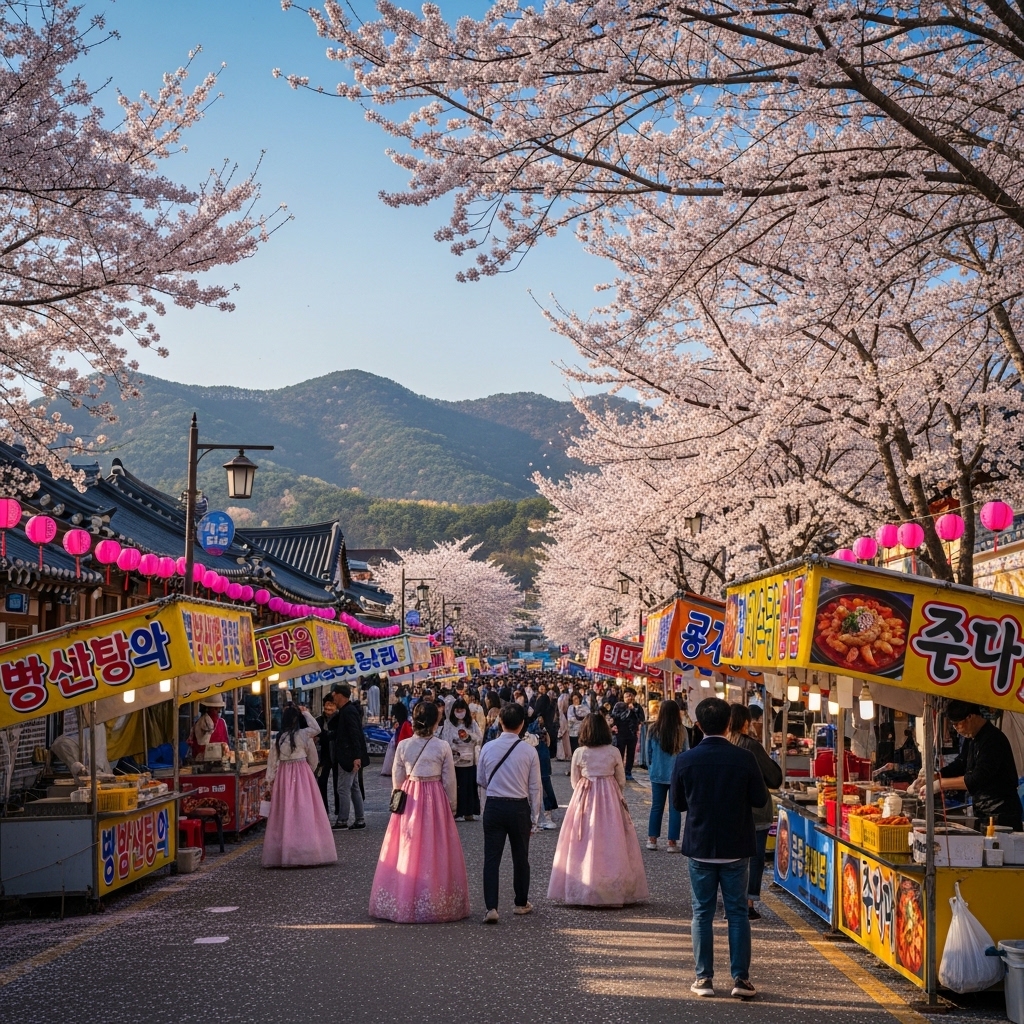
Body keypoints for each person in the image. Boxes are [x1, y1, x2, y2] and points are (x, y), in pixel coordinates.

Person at [671, 697, 768, 1000]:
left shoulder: (685, 760)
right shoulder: (744, 758)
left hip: (700, 845)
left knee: (702, 913)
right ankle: (741, 979)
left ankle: (704, 979)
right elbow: (760, 799)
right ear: (729, 725)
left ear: (698, 725)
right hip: (736, 845)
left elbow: (677, 803)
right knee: (737, 913)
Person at [369, 701, 471, 922]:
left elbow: (397, 778)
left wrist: (398, 796)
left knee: (408, 846)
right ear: (435, 721)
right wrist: (452, 806)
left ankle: (404, 896)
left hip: (410, 795)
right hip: (435, 798)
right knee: (436, 847)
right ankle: (435, 898)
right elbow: (449, 781)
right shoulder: (442, 746)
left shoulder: (404, 745)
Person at [548, 713, 649, 907]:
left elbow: (574, 781)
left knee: (582, 841)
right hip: (610, 797)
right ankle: (613, 887)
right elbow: (621, 780)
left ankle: (583, 886)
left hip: (584, 796)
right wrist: (613, 792)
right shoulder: (613, 751)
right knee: (612, 841)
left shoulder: (580, 752)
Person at [476, 703, 542, 923]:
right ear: (522, 724)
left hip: (494, 805)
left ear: (500, 722)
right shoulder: (529, 751)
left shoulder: (487, 747)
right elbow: (535, 787)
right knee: (521, 857)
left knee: (491, 858)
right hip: (519, 807)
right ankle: (521, 903)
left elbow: (481, 780)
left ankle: (491, 908)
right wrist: (535, 818)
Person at [924, 701, 1023, 831]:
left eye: (957, 724)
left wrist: (940, 784)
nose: (955, 728)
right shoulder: (972, 738)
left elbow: (977, 778)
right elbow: (960, 764)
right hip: (982, 811)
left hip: (1001, 813)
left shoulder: (993, 740)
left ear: (970, 717)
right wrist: (935, 776)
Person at [262, 704, 338, 868]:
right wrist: (306, 713)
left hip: (283, 776)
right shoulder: (303, 735)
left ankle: (285, 851)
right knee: (306, 811)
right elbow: (316, 734)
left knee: (285, 813)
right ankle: (308, 850)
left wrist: (269, 783)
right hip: (303, 774)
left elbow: (272, 764)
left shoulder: (279, 739)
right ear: (297, 719)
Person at [728, 704, 783, 919]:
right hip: (756, 811)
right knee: (755, 857)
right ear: (745, 723)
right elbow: (774, 778)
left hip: (729, 811)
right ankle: (748, 902)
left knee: (732, 856)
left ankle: (732, 899)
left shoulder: (722, 745)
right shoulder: (751, 746)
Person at [646, 699, 687, 852]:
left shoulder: (653, 729)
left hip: (657, 773)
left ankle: (652, 839)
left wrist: (651, 768)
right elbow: (686, 752)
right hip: (676, 774)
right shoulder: (681, 730)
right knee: (675, 808)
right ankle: (672, 842)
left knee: (656, 807)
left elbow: (648, 753)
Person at [329, 683, 368, 830]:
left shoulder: (348, 711)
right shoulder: (346, 711)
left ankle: (342, 820)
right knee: (354, 787)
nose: (333, 698)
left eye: (334, 695)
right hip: (350, 755)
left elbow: (355, 734)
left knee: (343, 788)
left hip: (348, 757)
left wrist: (356, 757)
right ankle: (360, 819)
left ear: (341, 695)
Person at [443, 698, 482, 820]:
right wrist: (454, 745)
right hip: (455, 759)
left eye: (462, 710)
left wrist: (469, 737)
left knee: (469, 786)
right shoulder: (449, 724)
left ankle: (469, 811)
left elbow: (479, 738)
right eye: (457, 710)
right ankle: (455, 811)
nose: (460, 713)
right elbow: (445, 740)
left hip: (469, 759)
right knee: (455, 786)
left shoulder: (472, 723)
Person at [527, 716, 559, 829]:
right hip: (540, 750)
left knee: (541, 781)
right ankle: (545, 813)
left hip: (538, 749)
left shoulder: (534, 722)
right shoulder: (539, 722)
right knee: (542, 781)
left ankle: (545, 813)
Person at [612, 689, 644, 780]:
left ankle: (628, 772)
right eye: (627, 696)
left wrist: (634, 710)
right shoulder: (618, 705)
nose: (629, 698)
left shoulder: (637, 707)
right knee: (620, 753)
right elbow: (615, 717)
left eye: (631, 696)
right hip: (620, 733)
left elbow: (642, 719)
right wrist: (628, 711)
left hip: (632, 733)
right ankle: (619, 772)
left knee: (631, 754)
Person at [316, 697, 339, 815]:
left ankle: (338, 809)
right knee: (321, 781)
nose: (329, 708)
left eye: (331, 705)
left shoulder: (339, 719)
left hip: (337, 755)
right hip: (323, 755)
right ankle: (323, 809)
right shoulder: (319, 720)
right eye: (327, 705)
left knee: (337, 783)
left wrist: (324, 735)